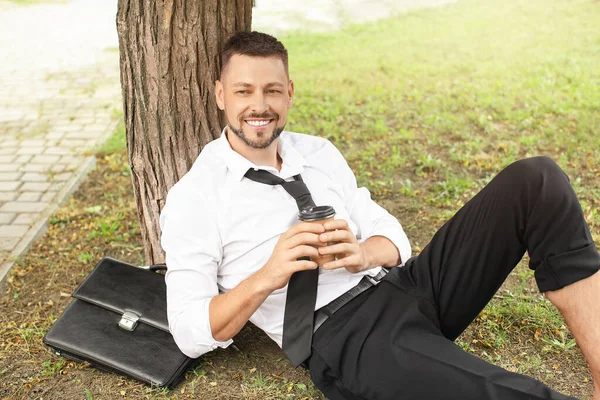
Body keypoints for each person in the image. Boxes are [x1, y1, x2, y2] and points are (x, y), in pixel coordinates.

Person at [159, 31, 600, 399]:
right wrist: (267, 276)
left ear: (289, 93)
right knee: (495, 391)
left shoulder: (317, 152)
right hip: (345, 336)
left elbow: (391, 235)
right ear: (220, 94)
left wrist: (362, 254)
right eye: (244, 91)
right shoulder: (194, 197)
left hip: (405, 287)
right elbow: (188, 330)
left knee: (536, 180)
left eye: (272, 90)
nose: (260, 106)